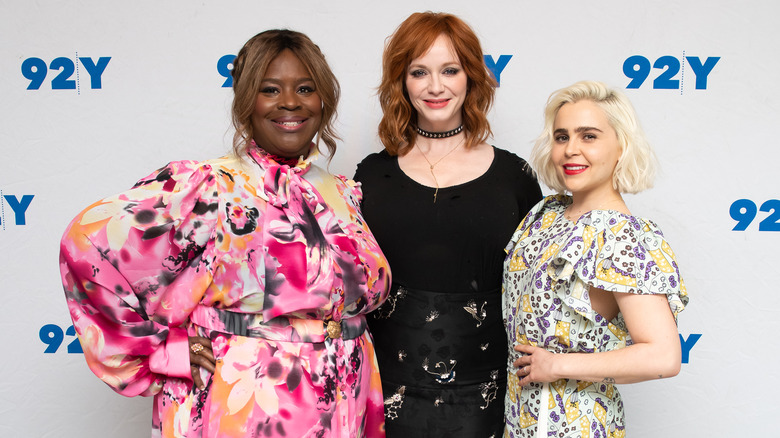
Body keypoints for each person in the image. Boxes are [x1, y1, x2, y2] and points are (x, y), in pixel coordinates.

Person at [59, 29, 391, 438]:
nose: (290, 102)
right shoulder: (213, 187)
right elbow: (87, 246)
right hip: (250, 402)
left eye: (305, 88)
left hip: (349, 397)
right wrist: (163, 350)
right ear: (247, 101)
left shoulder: (341, 190)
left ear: (323, 99)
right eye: (271, 89)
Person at [354, 12, 543, 436]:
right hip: (384, 389)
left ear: (471, 77)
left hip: (485, 396)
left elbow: (537, 290)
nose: (435, 87)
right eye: (419, 72)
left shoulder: (515, 177)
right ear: (401, 81)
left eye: (450, 70)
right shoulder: (369, 176)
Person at [502, 80, 689, 437]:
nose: (571, 149)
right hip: (519, 418)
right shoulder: (546, 213)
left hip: (577, 425)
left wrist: (557, 364)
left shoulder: (625, 237)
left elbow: (663, 356)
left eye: (589, 136)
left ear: (621, 146)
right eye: (561, 137)